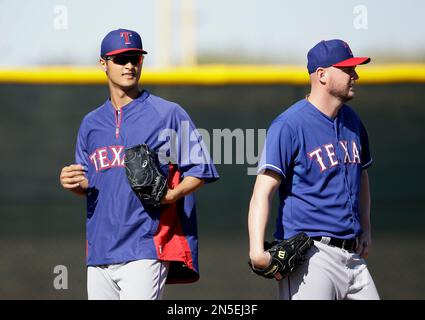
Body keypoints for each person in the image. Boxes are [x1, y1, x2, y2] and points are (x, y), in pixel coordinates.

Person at [59, 28, 219, 300]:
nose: (130, 65)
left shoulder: (167, 113)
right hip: (100, 251)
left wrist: (172, 195)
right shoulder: (91, 124)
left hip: (146, 246)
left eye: (135, 58)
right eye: (121, 59)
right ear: (103, 64)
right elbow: (92, 184)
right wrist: (73, 182)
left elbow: (200, 169)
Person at [248, 39, 379, 300]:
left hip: (353, 256)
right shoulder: (289, 124)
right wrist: (256, 251)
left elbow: (361, 175)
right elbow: (262, 191)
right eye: (348, 69)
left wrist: (365, 227)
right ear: (322, 75)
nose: (356, 75)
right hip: (311, 257)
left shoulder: (353, 121)